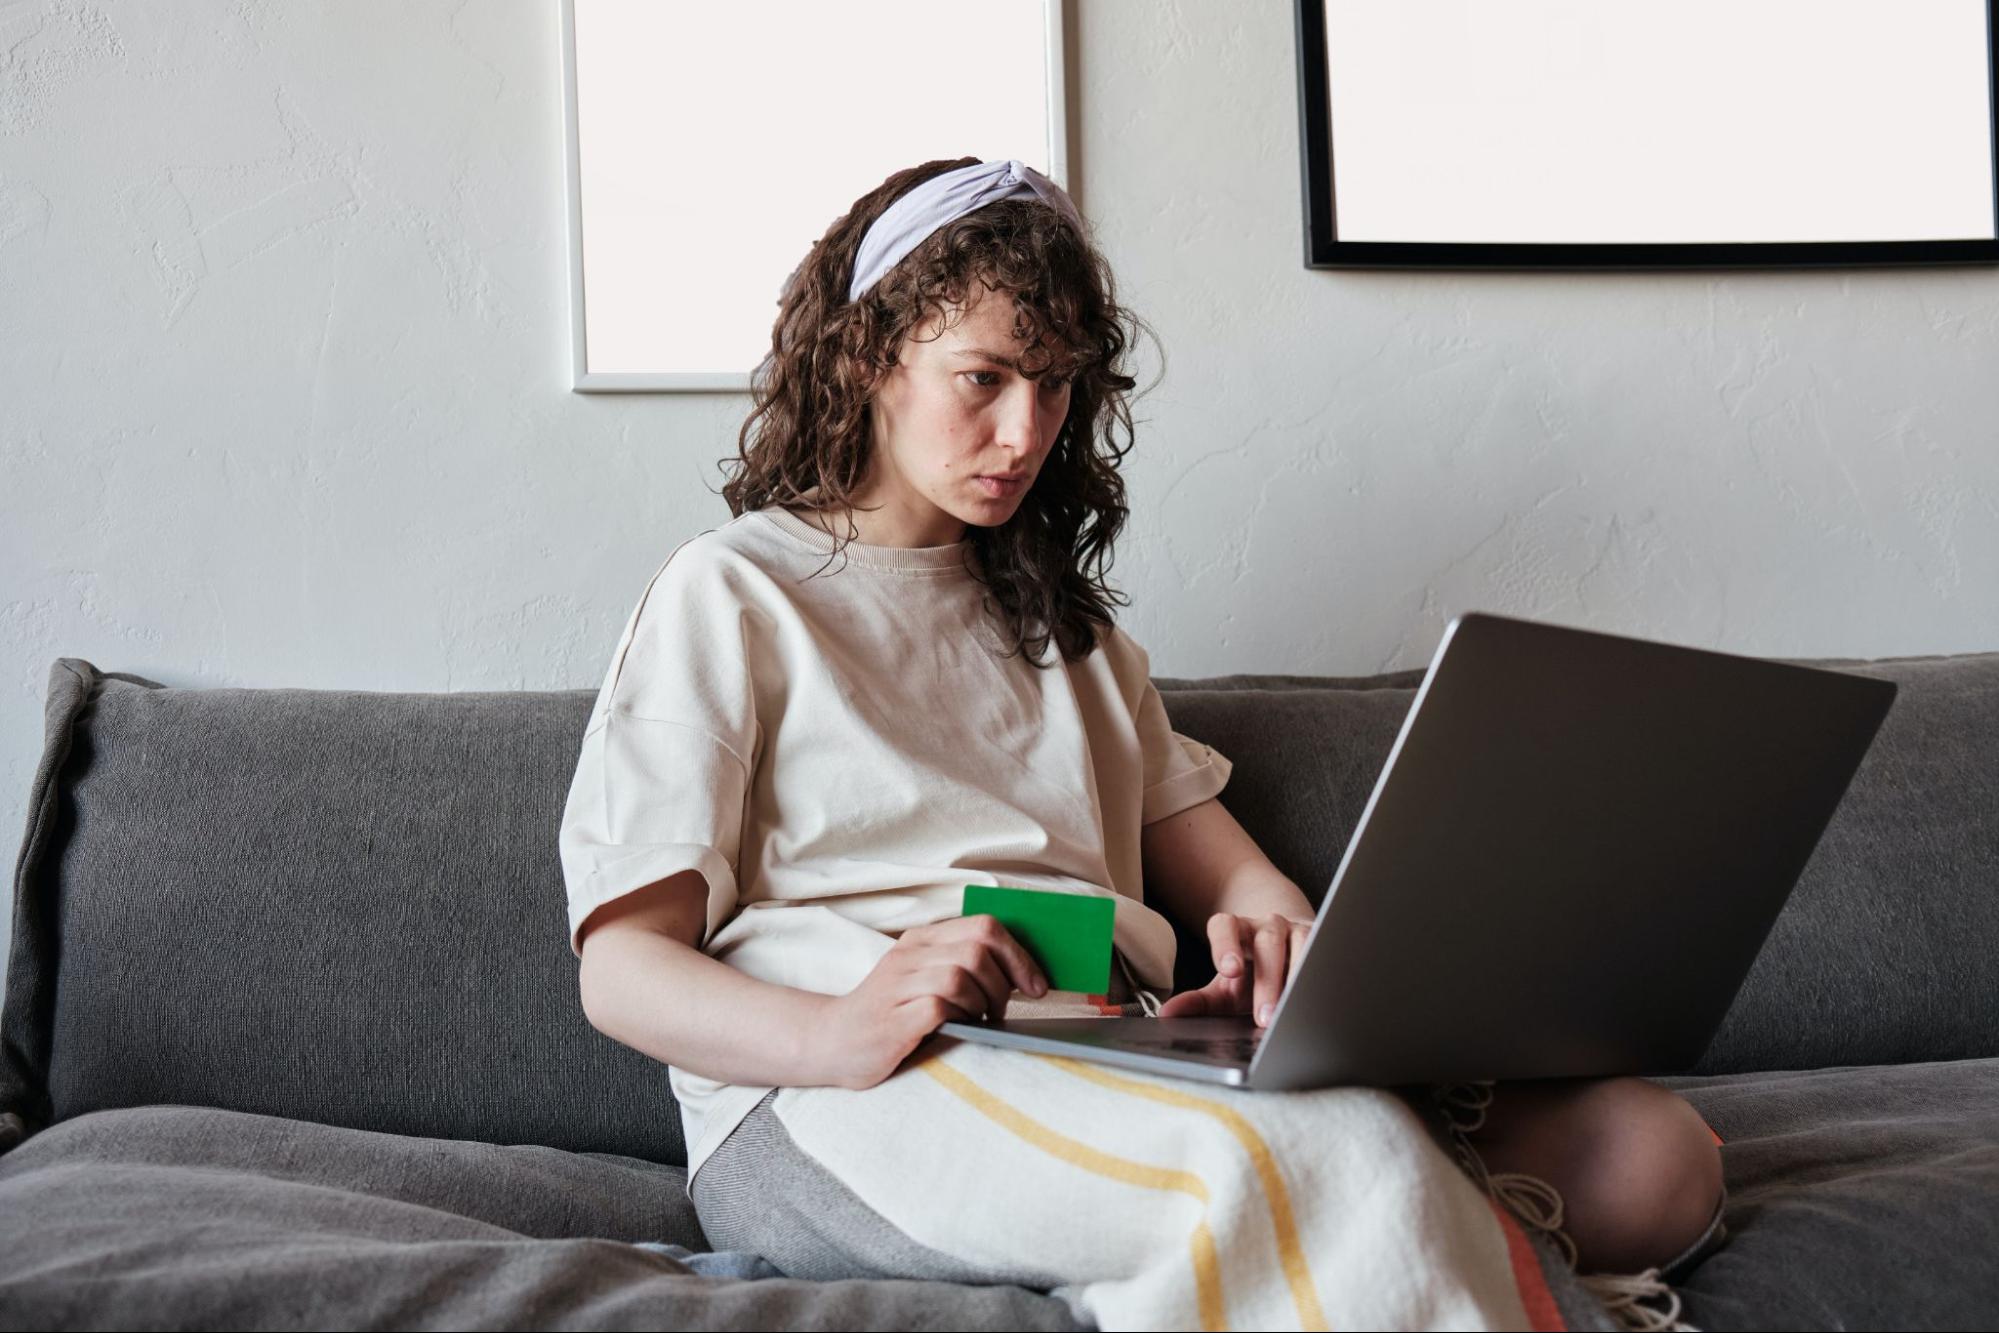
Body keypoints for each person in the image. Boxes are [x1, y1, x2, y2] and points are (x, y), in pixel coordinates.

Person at [559, 156, 1729, 1328]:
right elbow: (621, 968)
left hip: (1098, 1038)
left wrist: (1278, 946)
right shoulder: (734, 592)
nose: (1023, 432)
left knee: (1657, 1156)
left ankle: (1389, 1210)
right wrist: (836, 1028)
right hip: (837, 1080)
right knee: (1323, 1160)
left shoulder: (1073, 639)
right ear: (870, 355)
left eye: (1057, 387)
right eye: (984, 378)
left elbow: (1233, 875)